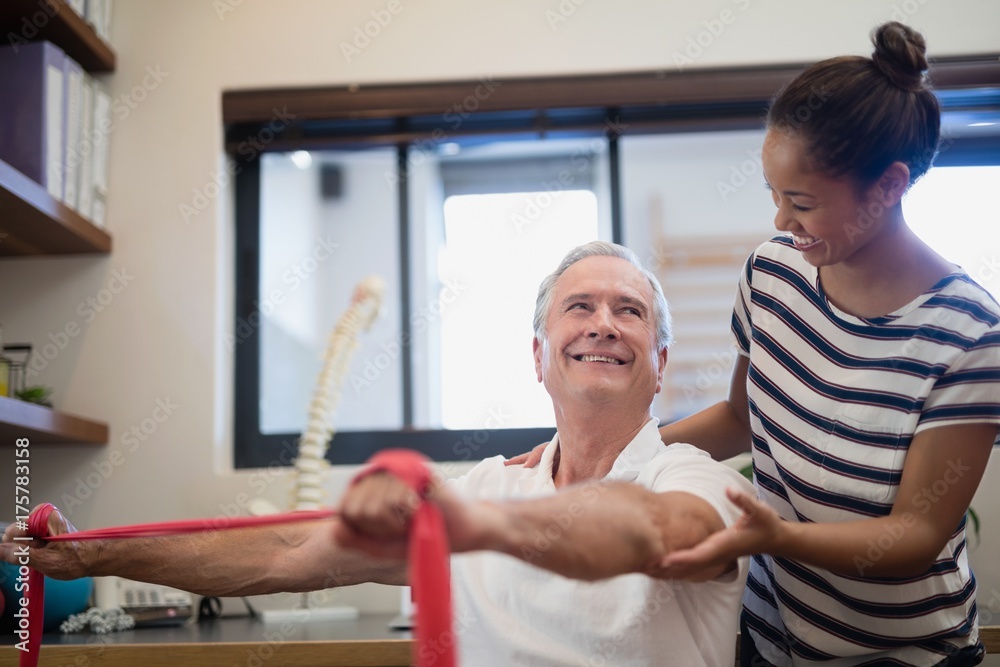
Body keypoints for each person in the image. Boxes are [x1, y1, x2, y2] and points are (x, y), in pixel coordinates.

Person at [3, 241, 754, 666]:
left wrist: (474, 523)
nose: (604, 324)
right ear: (537, 354)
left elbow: (657, 530)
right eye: (579, 307)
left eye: (630, 311)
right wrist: (93, 554)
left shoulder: (693, 476)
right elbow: (290, 547)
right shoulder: (491, 484)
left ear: (660, 356)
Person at [514, 21, 1000, 667]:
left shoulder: (968, 332)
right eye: (773, 195)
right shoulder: (774, 271)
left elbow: (915, 535)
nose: (780, 221)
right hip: (771, 638)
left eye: (800, 201)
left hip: (905, 652)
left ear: (888, 186)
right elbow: (743, 417)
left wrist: (777, 536)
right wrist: (596, 459)